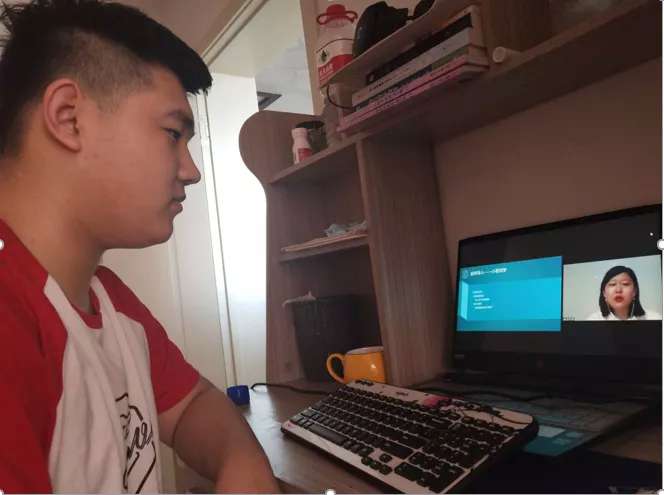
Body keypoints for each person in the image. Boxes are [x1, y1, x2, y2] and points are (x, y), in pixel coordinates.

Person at [0, 0, 280, 493]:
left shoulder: (105, 297)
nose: (191, 171)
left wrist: (243, 464)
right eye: (172, 134)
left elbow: (191, 406)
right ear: (68, 118)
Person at [587, 265, 661, 321]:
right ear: (604, 293)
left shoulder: (654, 318)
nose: (618, 290)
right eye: (612, 284)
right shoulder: (593, 320)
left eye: (625, 284)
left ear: (634, 291)